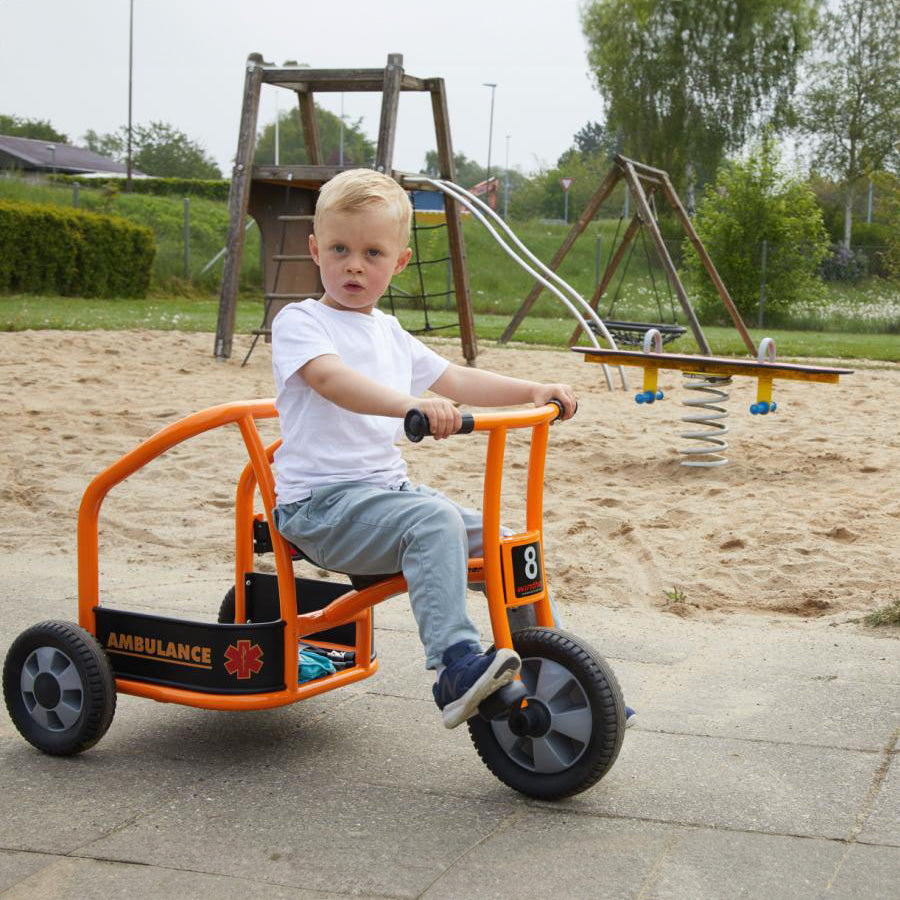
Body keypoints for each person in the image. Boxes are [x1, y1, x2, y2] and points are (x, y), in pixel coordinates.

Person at [271, 169, 634, 730]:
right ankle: (454, 666)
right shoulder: (301, 321)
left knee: (505, 544)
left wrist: (532, 389)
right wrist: (410, 406)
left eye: (372, 253)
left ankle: (554, 673)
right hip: (320, 509)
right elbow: (331, 380)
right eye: (340, 249)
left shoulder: (389, 332)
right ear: (316, 250)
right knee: (433, 521)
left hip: (385, 497)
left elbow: (457, 379)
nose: (354, 266)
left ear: (399, 262)